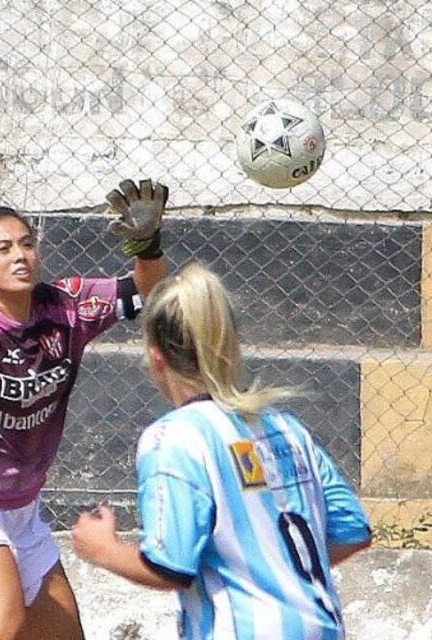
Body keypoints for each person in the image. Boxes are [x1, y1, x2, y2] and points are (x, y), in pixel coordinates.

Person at [0, 178, 169, 640]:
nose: (20, 255)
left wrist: (147, 244)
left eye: (27, 244)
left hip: (22, 509)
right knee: (0, 629)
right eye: (3, 248)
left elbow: (144, 289)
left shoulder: (66, 306)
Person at [70, 262, 372, 640]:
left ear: (156, 356)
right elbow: (352, 530)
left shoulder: (174, 438)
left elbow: (171, 567)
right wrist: (274, 571)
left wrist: (102, 549)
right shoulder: (285, 427)